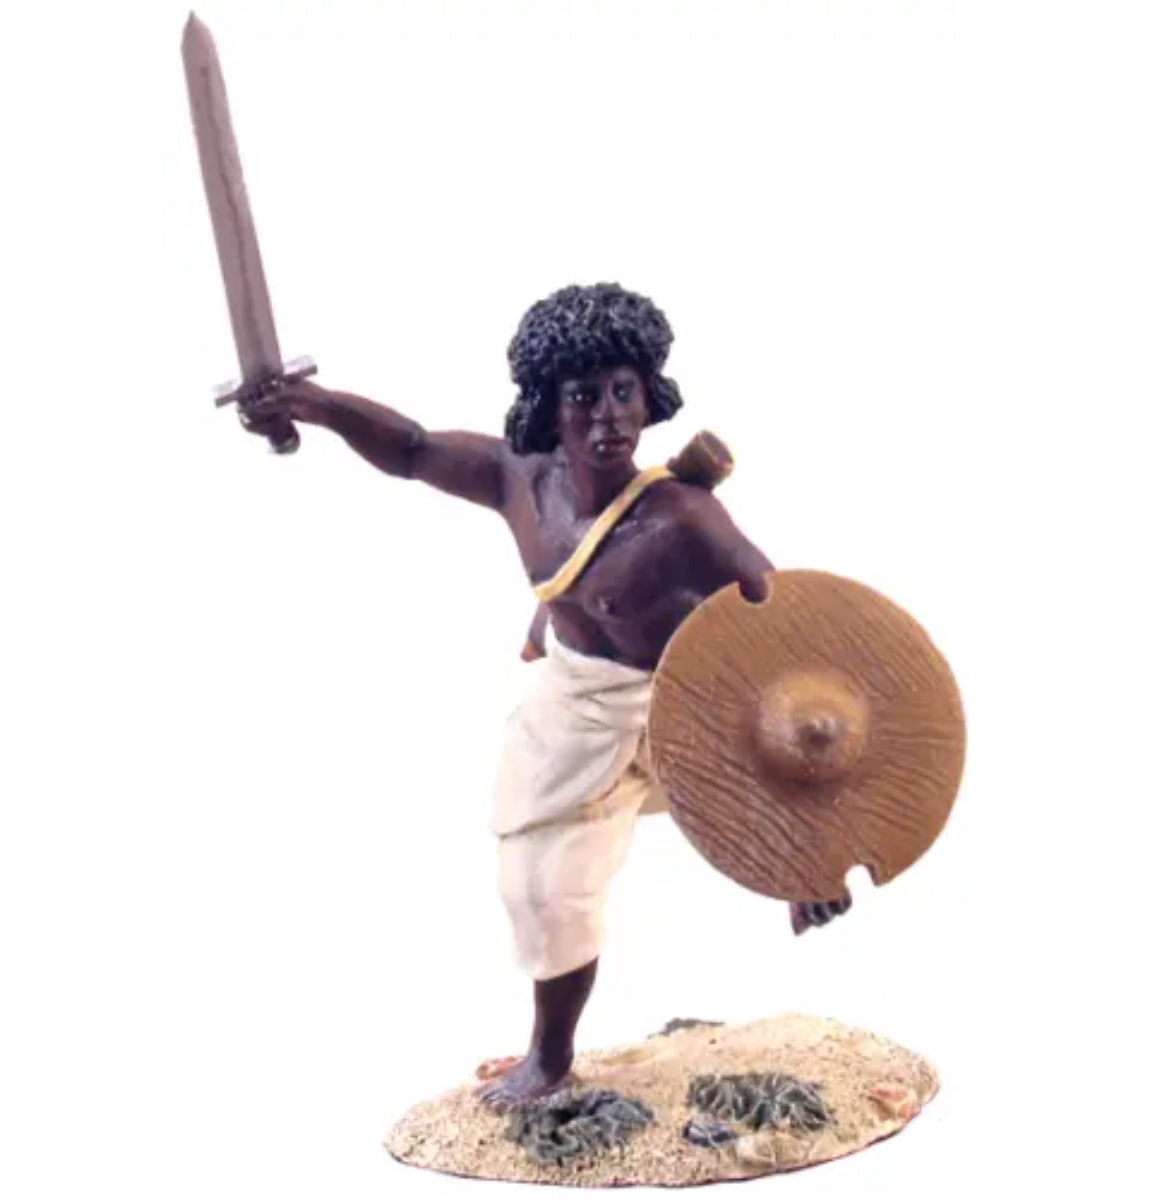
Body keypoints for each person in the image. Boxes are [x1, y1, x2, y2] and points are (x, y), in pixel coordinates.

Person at [243, 282, 850, 1110]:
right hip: (576, 707)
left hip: (688, 705)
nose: (609, 417)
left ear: (650, 397)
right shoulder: (519, 480)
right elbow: (414, 448)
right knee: (543, 883)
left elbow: (786, 621)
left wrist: (817, 812)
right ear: (548, 405)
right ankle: (551, 1057)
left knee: (764, 807)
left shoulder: (684, 520)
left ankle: (809, 864)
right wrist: (316, 406)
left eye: (624, 392)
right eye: (585, 396)